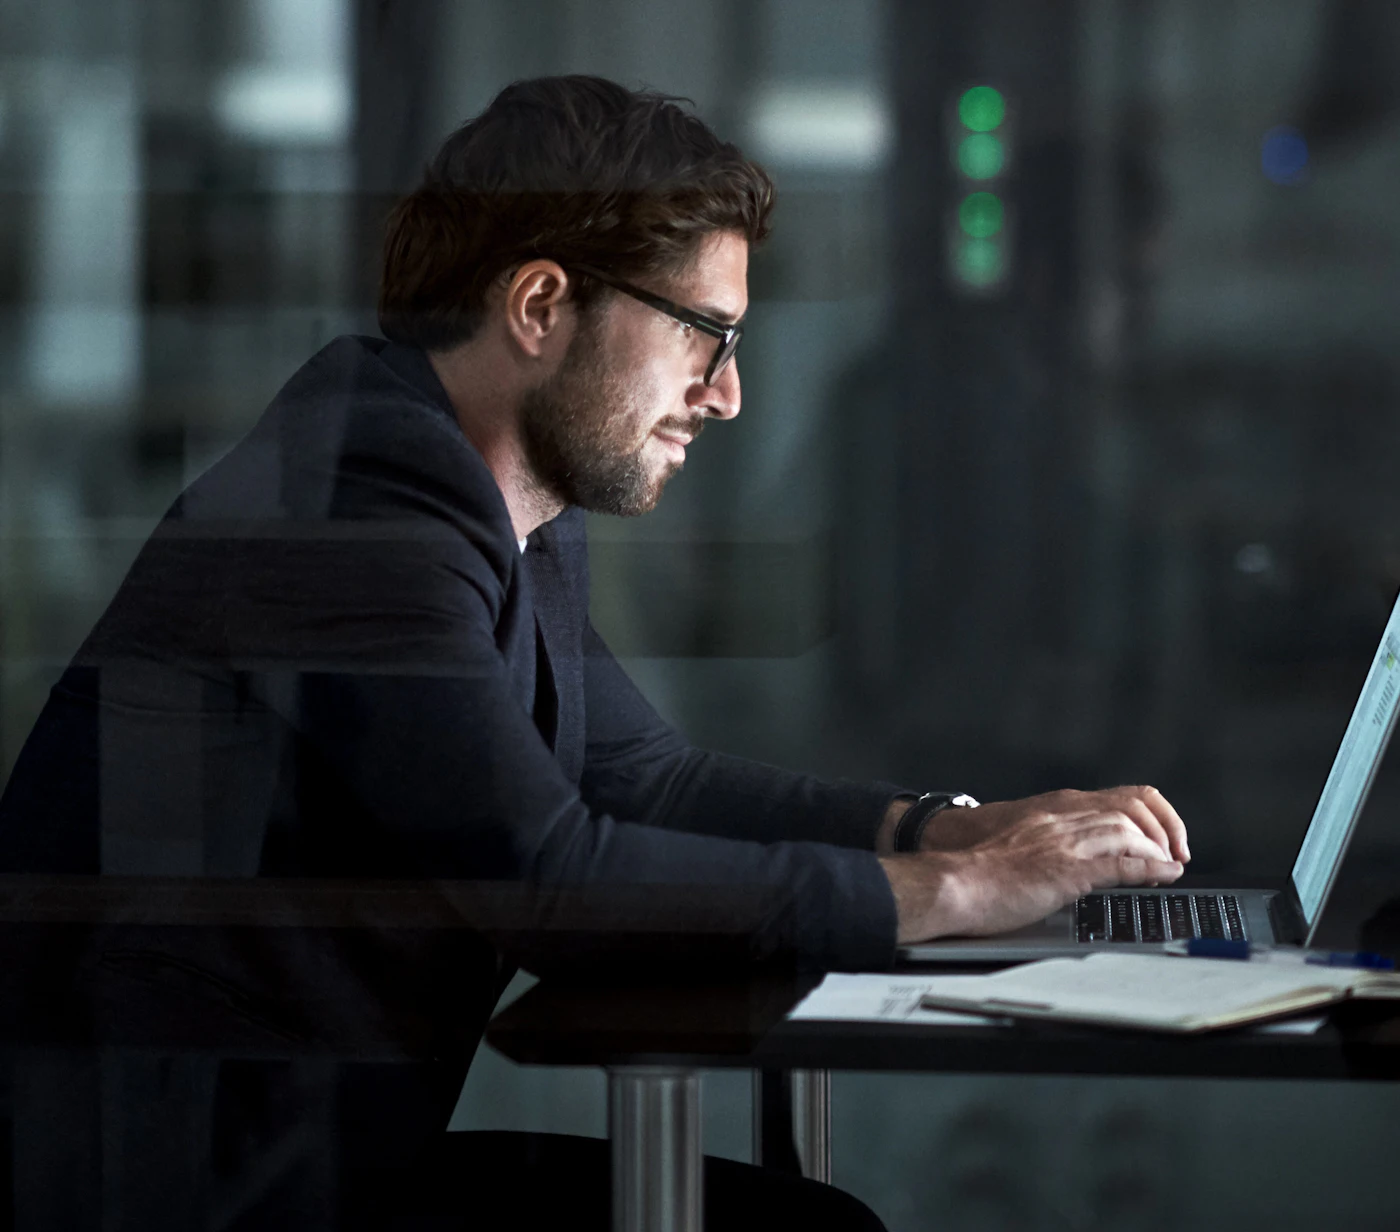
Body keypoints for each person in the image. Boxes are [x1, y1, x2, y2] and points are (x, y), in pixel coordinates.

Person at [0, 76, 1188, 1230]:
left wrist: (938, 826)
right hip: (173, 1187)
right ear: (538, 306)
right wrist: (960, 893)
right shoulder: (356, 512)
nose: (723, 395)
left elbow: (643, 777)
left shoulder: (487, 497)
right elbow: (550, 881)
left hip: (297, 1158)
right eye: (704, 335)